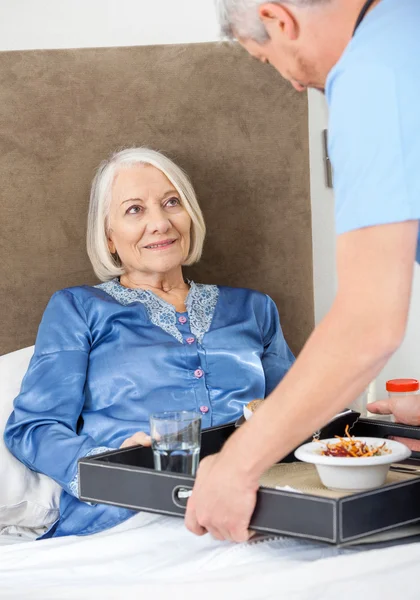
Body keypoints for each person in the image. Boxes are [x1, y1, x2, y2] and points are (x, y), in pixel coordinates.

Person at [185, 0, 420, 542]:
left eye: (267, 60)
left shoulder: (370, 76)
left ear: (278, 20)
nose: (293, 84)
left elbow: (369, 325)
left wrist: (236, 466)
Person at [4, 147, 294, 539]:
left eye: (171, 202)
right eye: (134, 210)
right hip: (124, 517)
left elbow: (299, 412)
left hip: (253, 508)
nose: (160, 223)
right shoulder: (77, 308)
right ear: (109, 237)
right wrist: (112, 466)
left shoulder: (254, 308)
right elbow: (33, 427)